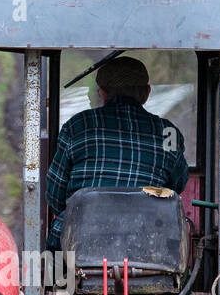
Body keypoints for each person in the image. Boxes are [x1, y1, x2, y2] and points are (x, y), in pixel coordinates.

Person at [44, 56, 188, 251]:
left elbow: (55, 195)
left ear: (102, 93)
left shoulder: (77, 126)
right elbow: (176, 187)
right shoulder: (168, 133)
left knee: (55, 264)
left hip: (79, 243)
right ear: (146, 93)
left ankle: (58, 282)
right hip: (147, 245)